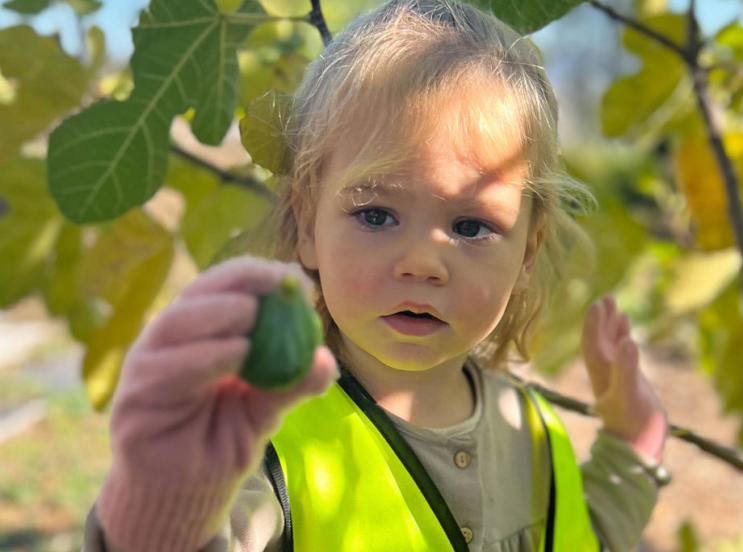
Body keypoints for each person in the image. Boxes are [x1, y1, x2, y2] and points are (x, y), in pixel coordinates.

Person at [83, 0, 669, 550]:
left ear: (527, 249)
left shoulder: (534, 430)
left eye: (470, 226)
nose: (422, 262)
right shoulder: (267, 439)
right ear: (307, 225)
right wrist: (165, 492)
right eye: (376, 214)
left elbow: (583, 536)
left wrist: (634, 442)